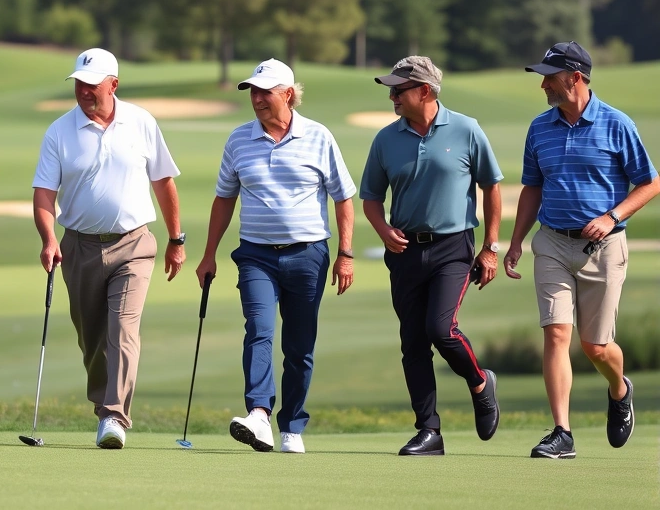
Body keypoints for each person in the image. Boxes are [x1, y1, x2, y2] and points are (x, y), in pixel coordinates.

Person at [506, 41, 659, 459]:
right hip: (553, 241)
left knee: (595, 346)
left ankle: (620, 387)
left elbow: (650, 182)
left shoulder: (616, 124)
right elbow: (532, 187)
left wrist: (612, 216)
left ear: (575, 77)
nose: (543, 86)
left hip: (604, 248)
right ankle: (562, 432)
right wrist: (516, 241)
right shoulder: (540, 127)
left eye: (549, 77)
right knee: (556, 333)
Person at [195, 59, 356, 454]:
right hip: (255, 256)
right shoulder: (238, 140)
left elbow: (343, 197)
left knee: (299, 347)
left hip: (309, 254)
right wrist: (209, 254)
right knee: (259, 329)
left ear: (288, 94)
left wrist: (346, 254)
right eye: (253, 91)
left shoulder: (318, 136)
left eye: (265, 91)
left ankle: (293, 426)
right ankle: (259, 415)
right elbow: (223, 199)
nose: (257, 99)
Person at [32, 47, 184, 449]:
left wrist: (176, 238)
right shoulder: (59, 132)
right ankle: (104, 403)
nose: (83, 91)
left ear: (113, 84)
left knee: (122, 329)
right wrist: (49, 239)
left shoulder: (141, 122)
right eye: (79, 84)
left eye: (92, 84)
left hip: (134, 244)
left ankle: (114, 416)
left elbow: (164, 181)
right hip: (78, 248)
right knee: (92, 339)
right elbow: (44, 194)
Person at [359, 56, 502, 456]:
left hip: (452, 248)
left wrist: (490, 247)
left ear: (424, 90)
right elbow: (370, 197)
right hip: (403, 250)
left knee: (441, 329)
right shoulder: (386, 139)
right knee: (413, 343)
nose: (392, 97)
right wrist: (383, 230)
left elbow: (492, 187)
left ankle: (479, 382)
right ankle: (429, 431)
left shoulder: (466, 129)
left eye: (398, 90)